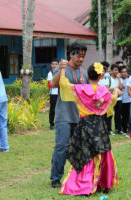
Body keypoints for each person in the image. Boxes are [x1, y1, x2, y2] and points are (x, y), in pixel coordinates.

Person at [58, 62, 120, 196]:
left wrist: (62, 69)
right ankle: (104, 182)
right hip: (99, 126)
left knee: (85, 153)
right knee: (103, 152)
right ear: (100, 77)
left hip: (85, 125)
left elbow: (64, 85)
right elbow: (113, 100)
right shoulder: (104, 91)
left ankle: (84, 184)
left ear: (87, 75)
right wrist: (115, 91)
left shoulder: (81, 89)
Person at [50, 42, 89, 188]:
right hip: (64, 115)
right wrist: (61, 69)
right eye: (78, 56)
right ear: (71, 54)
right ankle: (55, 178)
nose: (81, 59)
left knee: (79, 148)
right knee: (62, 147)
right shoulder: (63, 68)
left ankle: (79, 177)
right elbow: (53, 84)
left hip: (80, 116)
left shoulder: (84, 73)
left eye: (83, 56)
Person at [108, 64, 123, 135]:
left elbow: (121, 87)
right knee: (110, 115)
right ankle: (109, 129)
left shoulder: (118, 79)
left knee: (118, 115)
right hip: (111, 99)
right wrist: (114, 88)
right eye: (115, 70)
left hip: (118, 99)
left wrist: (119, 78)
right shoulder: (108, 78)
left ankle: (118, 129)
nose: (117, 71)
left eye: (118, 70)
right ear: (111, 70)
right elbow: (107, 89)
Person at [47, 58, 59, 130]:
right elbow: (50, 84)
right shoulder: (50, 73)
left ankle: (58, 123)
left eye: (56, 64)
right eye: (53, 64)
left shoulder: (60, 72)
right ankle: (51, 123)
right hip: (53, 93)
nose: (55, 65)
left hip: (60, 93)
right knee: (52, 109)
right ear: (51, 65)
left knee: (60, 109)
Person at [120, 65, 131, 134]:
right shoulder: (119, 80)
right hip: (121, 100)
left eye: (125, 72)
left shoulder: (130, 79)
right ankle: (123, 129)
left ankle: (127, 128)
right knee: (122, 116)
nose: (125, 73)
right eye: (123, 72)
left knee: (128, 115)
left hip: (129, 100)